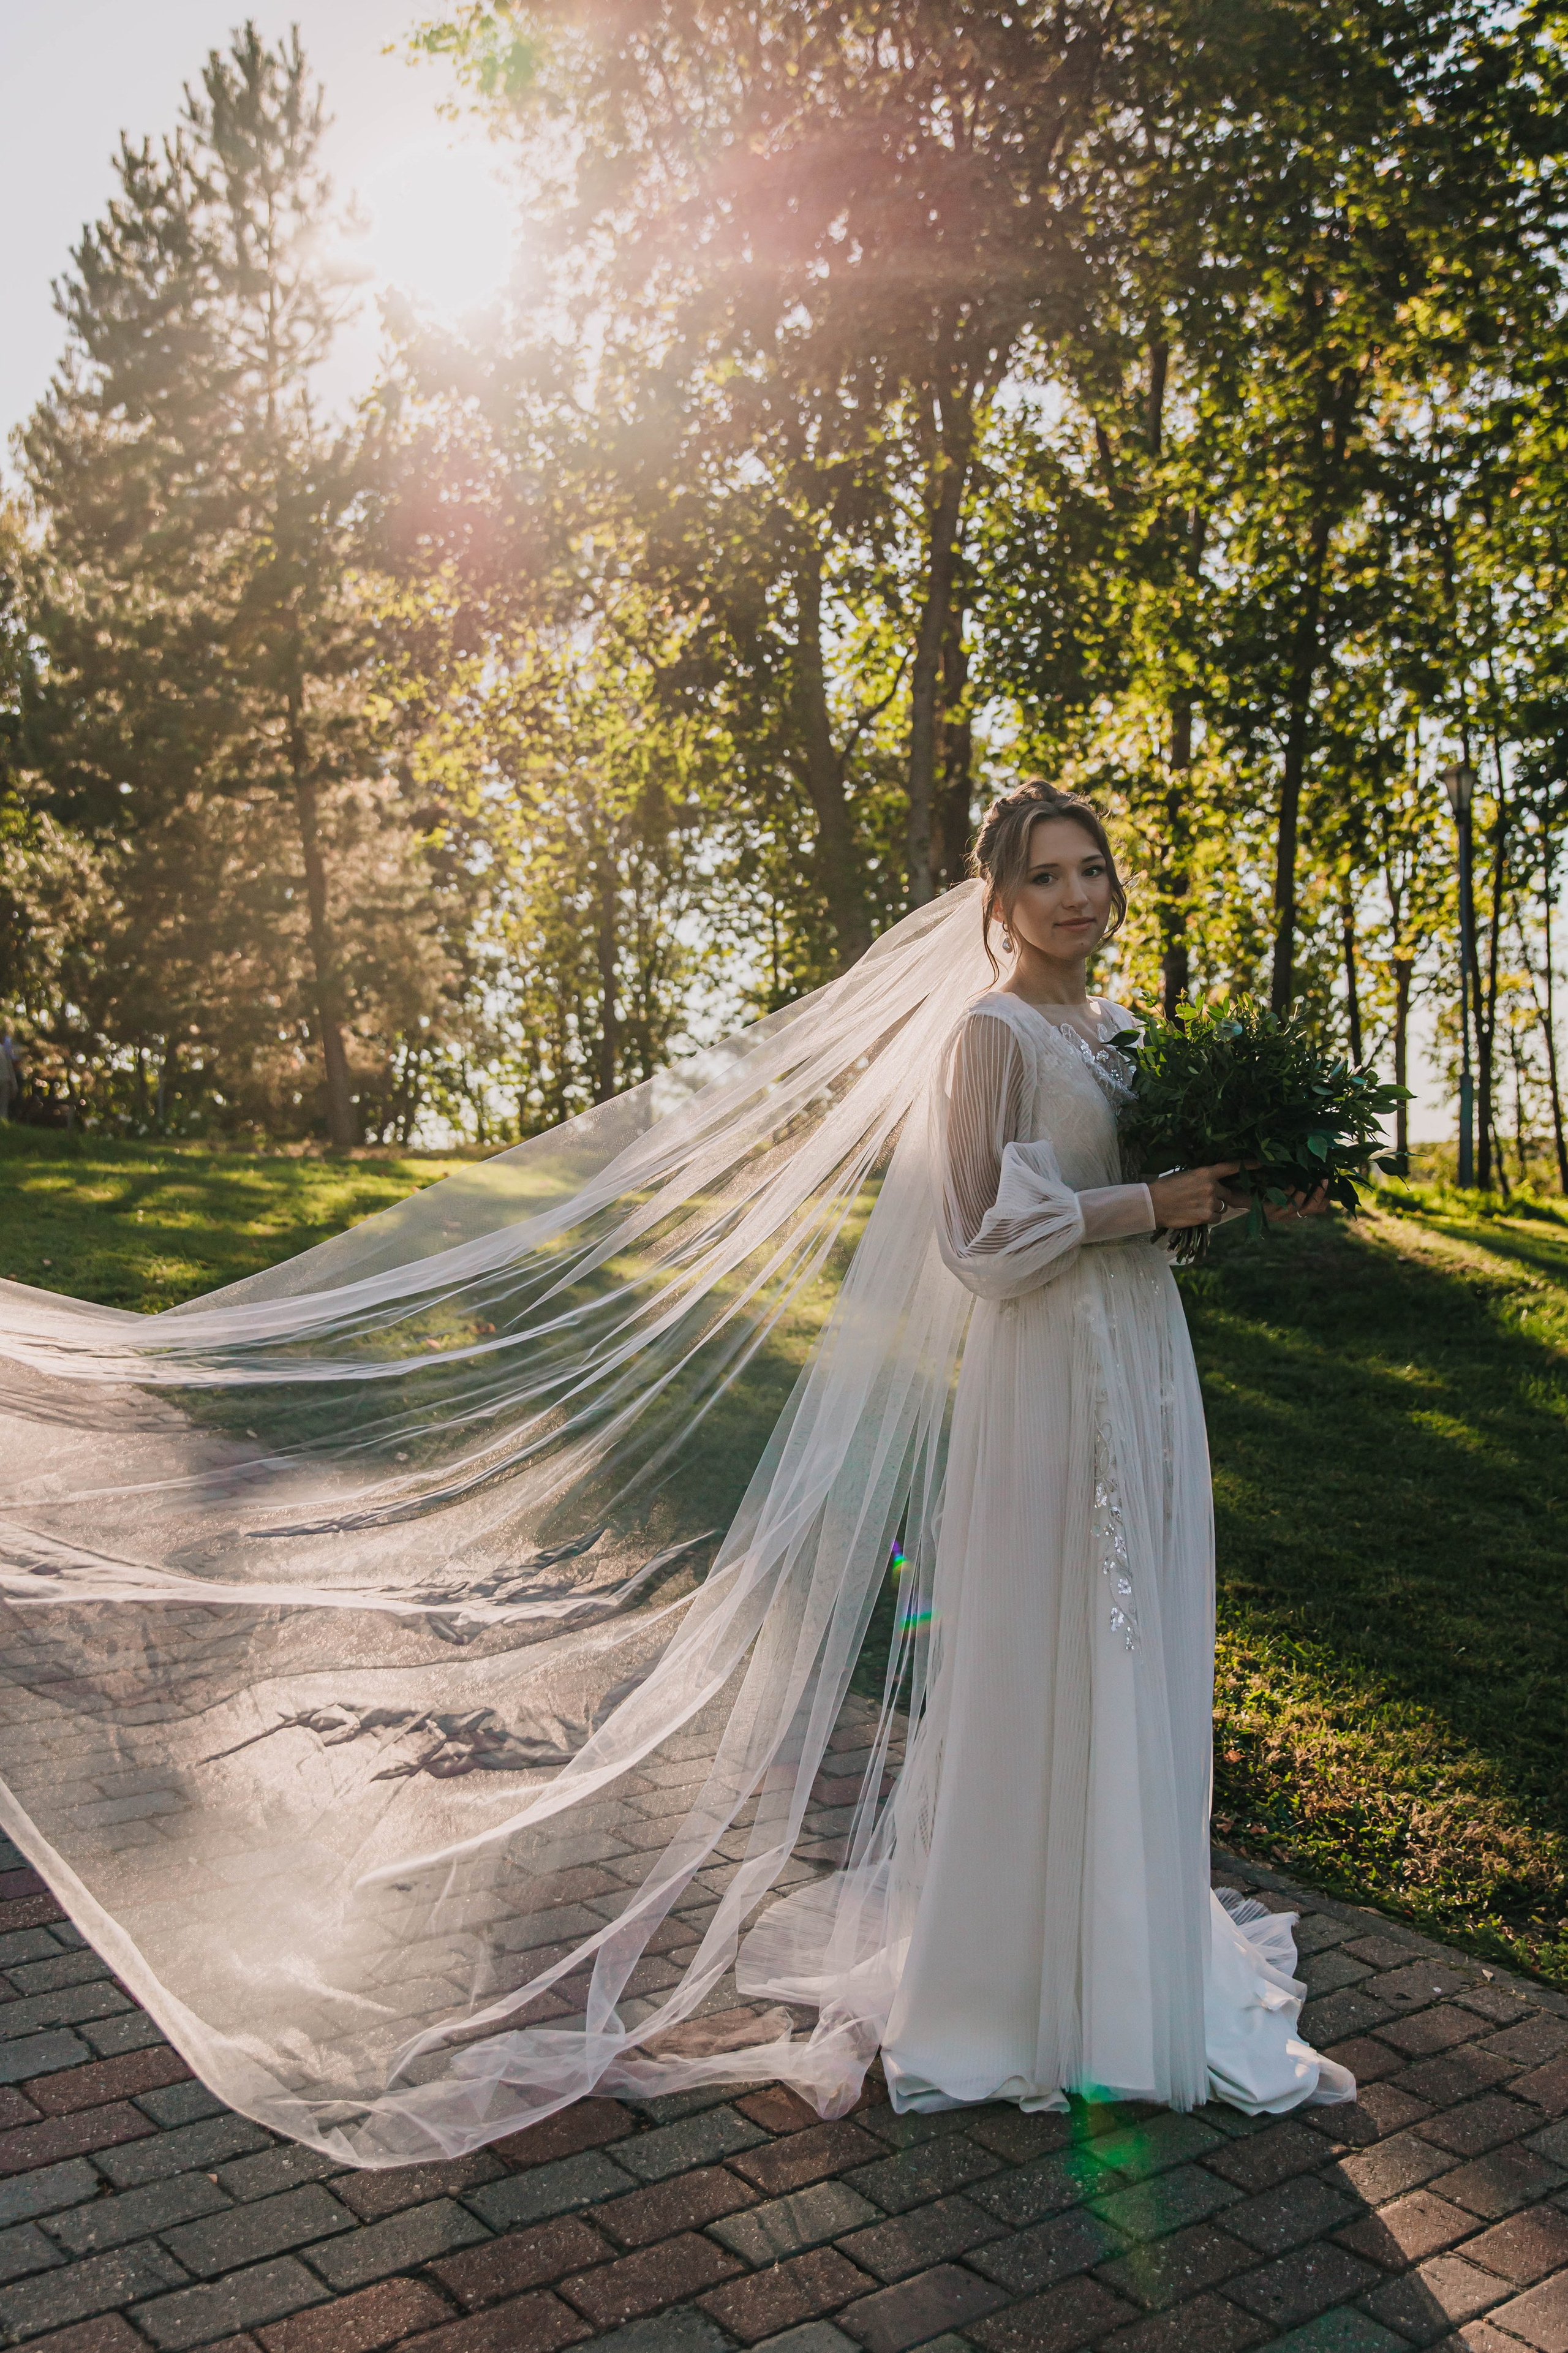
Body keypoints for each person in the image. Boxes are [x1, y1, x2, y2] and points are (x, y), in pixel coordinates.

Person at [0, 788, 1350, 2166]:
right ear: (994, 900)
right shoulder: (987, 1034)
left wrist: (1236, 1188)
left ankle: (1128, 1952)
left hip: (1139, 1358)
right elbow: (978, 1237)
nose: (1074, 896)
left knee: (1136, 1636)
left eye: (1090, 870)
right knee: (1045, 1641)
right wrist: (1145, 1205)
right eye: (1044, 876)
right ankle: (1023, 1981)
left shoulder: (1120, 1032)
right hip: (1043, 1377)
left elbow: (1142, 1209)